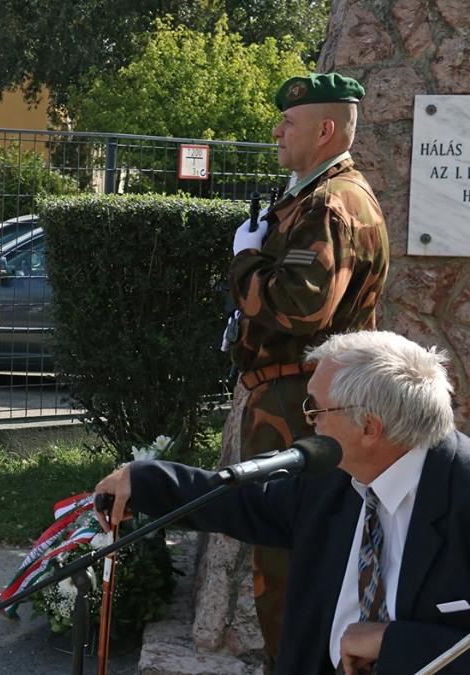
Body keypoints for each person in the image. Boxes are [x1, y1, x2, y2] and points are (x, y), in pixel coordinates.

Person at [96, 330, 470, 674]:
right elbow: (244, 503)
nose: (309, 421)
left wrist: (395, 645)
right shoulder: (335, 475)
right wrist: (144, 481)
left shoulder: (460, 491)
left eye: (316, 408)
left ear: (370, 427)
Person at [223, 72, 391, 656]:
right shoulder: (314, 197)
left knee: (290, 568)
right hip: (296, 401)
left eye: (288, 122)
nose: (276, 129)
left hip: (302, 407)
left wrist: (245, 263)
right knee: (291, 560)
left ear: (324, 130)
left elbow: (300, 308)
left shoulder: (330, 204)